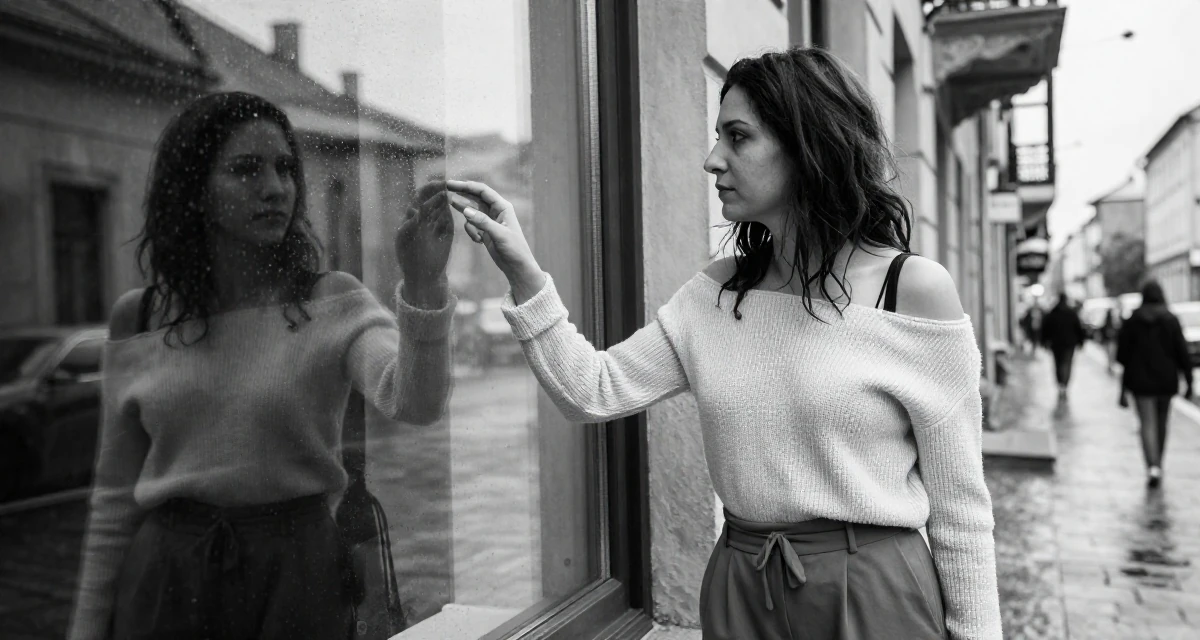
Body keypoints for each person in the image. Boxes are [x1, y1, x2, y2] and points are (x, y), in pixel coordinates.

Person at [448, 46, 1000, 640]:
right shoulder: (718, 290)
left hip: (870, 593)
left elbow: (961, 509)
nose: (713, 160)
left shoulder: (911, 290)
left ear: (810, 145)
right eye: (718, 136)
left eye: (738, 138)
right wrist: (524, 271)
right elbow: (593, 390)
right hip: (742, 588)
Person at [68, 92, 456, 640]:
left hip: (295, 577)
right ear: (196, 189)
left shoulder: (330, 300)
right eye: (246, 170)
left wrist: (422, 283)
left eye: (285, 168)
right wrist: (86, 629)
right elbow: (113, 496)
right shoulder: (140, 316)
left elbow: (414, 401)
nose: (275, 188)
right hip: (166, 579)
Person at [1116, 281, 1193, 488]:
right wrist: (1189, 379)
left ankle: (1152, 466)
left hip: (1140, 381)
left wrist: (1122, 388)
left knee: (1147, 425)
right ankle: (1158, 462)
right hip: (1166, 380)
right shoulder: (1171, 319)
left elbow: (1123, 355)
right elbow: (1182, 352)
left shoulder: (1133, 320)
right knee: (1161, 423)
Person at [1040, 293, 1086, 398]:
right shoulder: (1071, 313)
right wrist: (1081, 342)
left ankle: (1061, 384)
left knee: (1058, 364)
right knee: (1067, 364)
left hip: (1056, 344)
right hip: (1069, 344)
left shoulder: (1053, 312)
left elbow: (1045, 328)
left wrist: (1044, 342)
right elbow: (1079, 328)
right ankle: (1064, 384)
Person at [1100, 308, 1119, 374]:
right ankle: (1110, 366)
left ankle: (1110, 366)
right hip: (1110, 341)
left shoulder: (1107, 322)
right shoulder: (1112, 322)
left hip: (1108, 341)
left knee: (1110, 355)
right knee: (1111, 355)